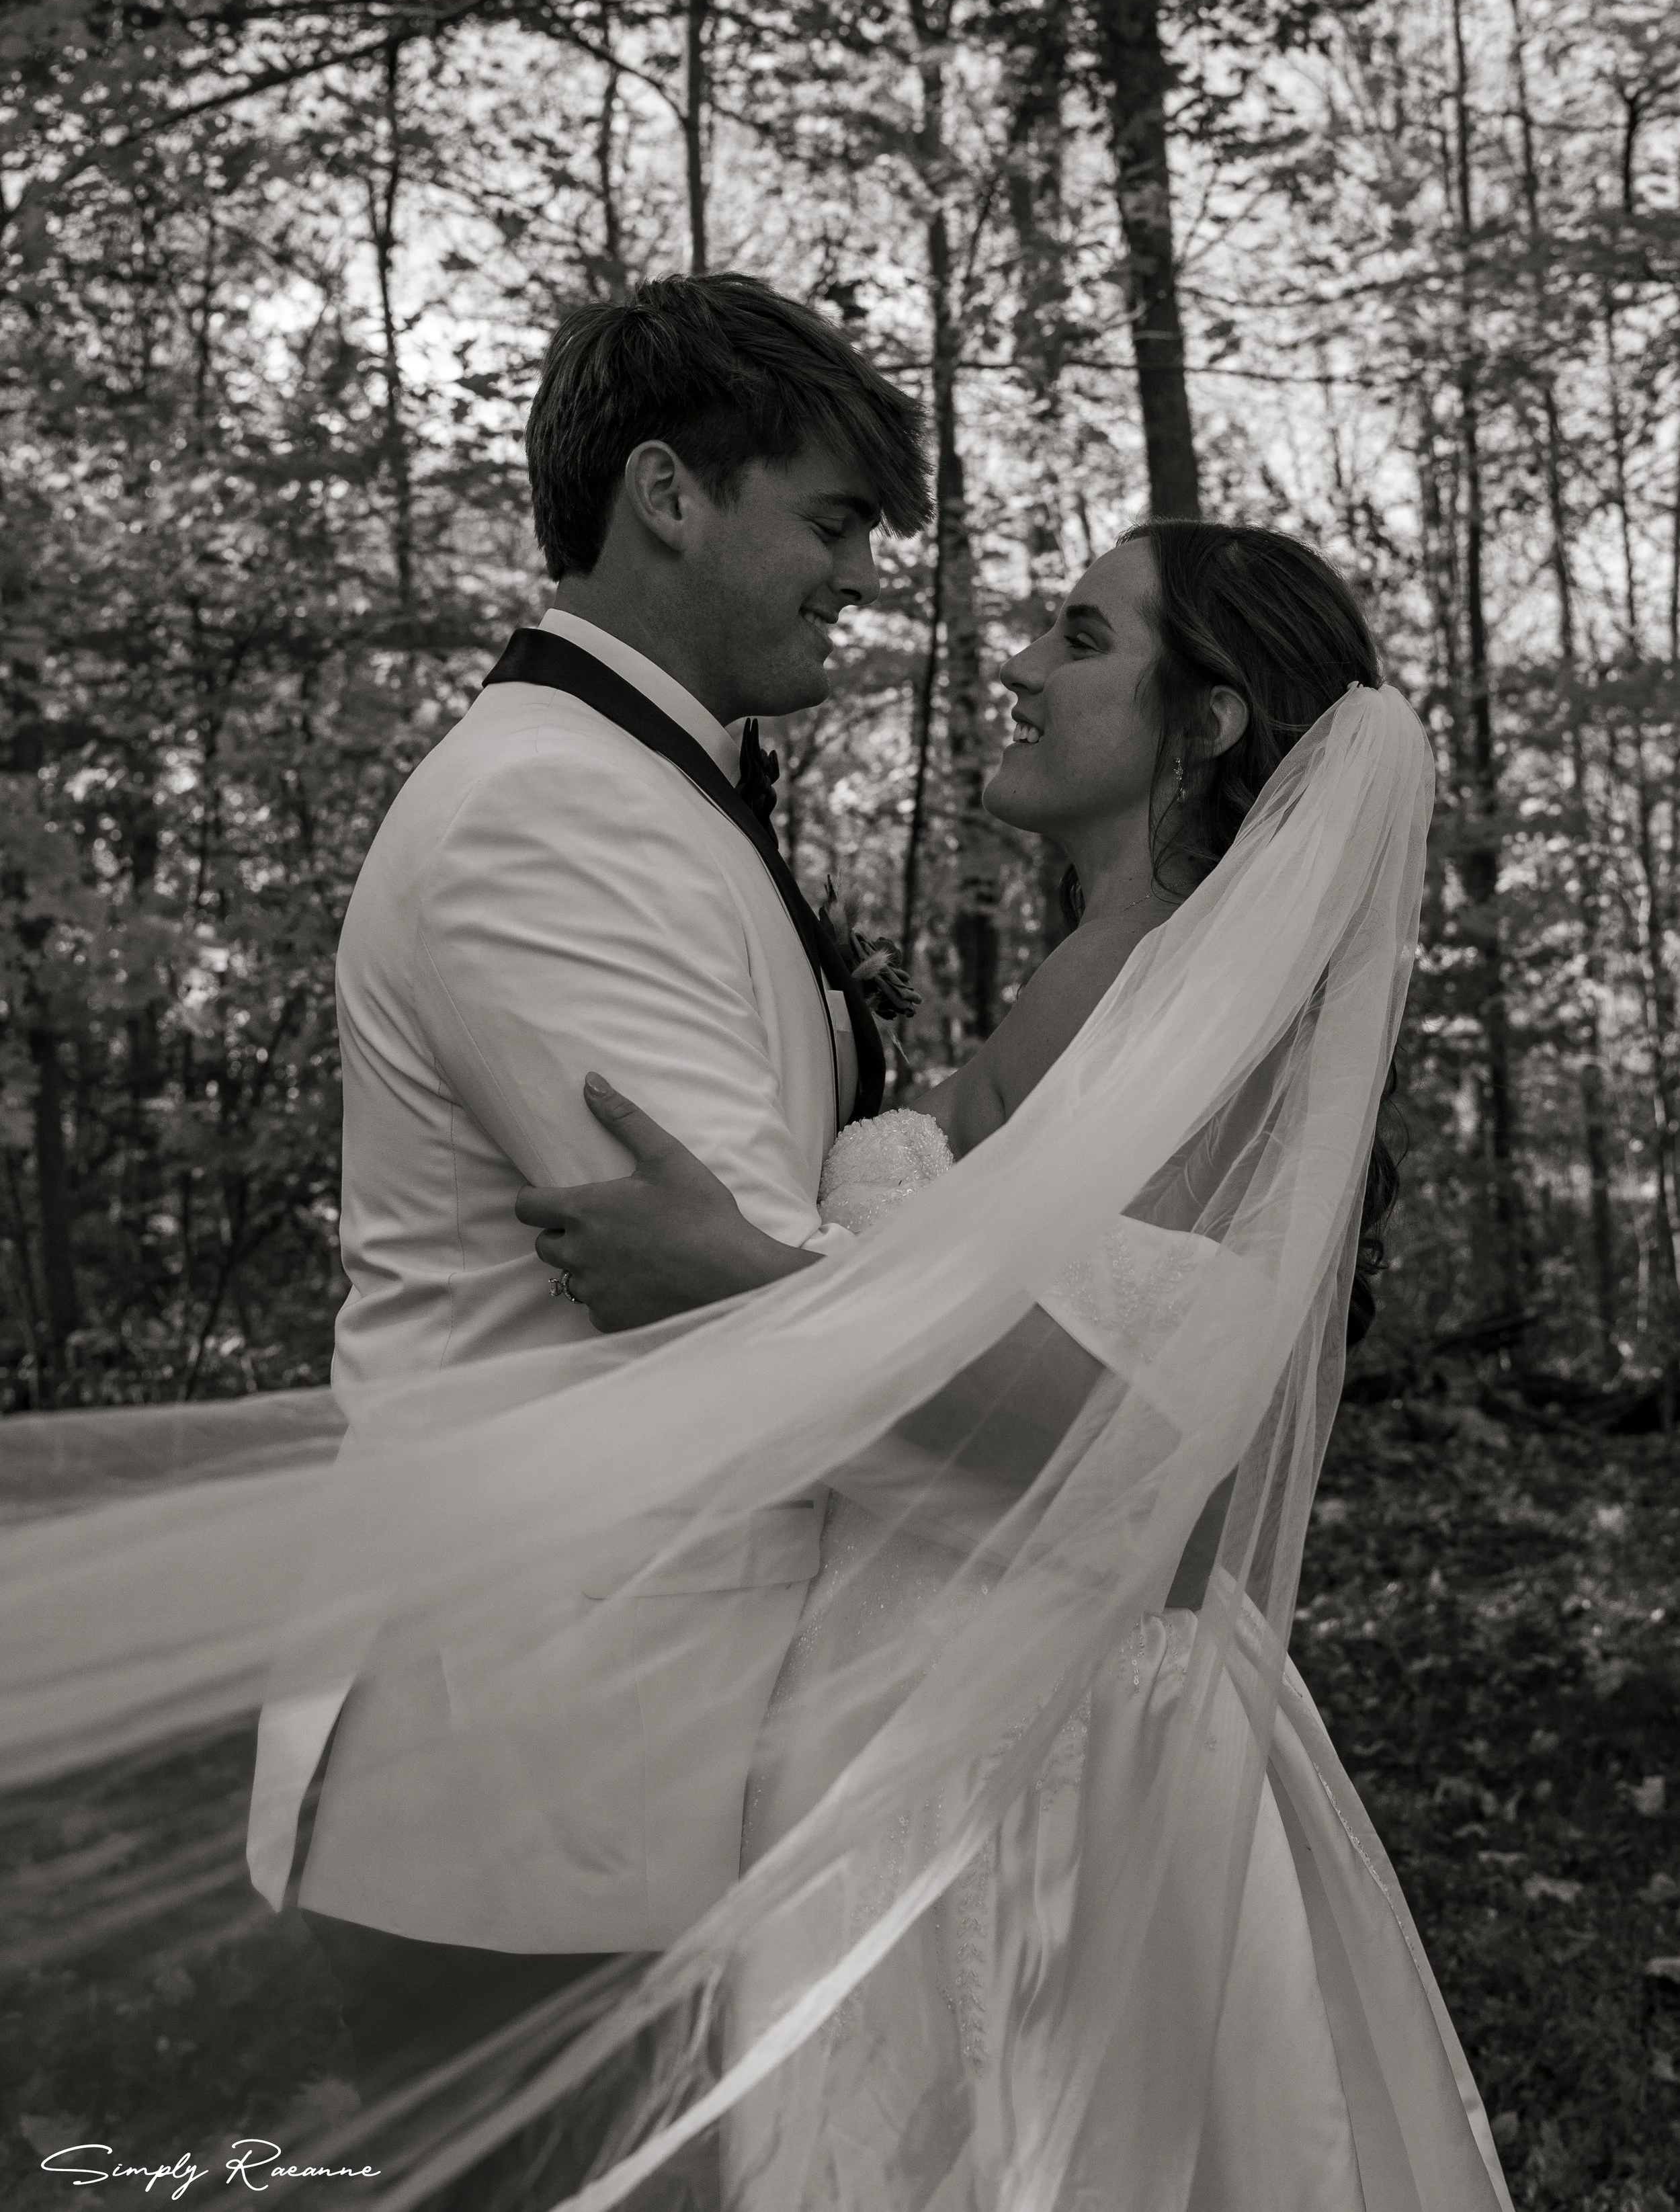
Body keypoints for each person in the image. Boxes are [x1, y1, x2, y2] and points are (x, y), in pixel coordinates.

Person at [515, 522, 1516, 2209]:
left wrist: (744, 1289)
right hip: (920, 1708)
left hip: (1027, 1768)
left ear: (1198, 726)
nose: (1023, 669)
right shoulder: (1109, 984)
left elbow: (1139, 1471)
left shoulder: (1183, 1006)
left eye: (1077, 636)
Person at [241, 272, 929, 2157]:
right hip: (537, 1765)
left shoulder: (644, 789)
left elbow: (746, 1245)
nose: (861, 571)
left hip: (615, 1738)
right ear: (667, 491)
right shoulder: (552, 815)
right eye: (834, 514)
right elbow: (706, 1297)